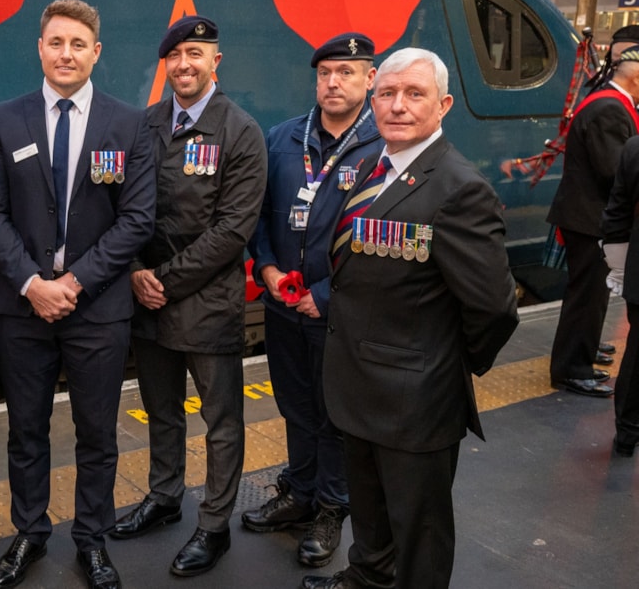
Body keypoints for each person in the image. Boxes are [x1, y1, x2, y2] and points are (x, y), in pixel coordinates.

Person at [302, 48, 519, 589]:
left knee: (418, 534)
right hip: (357, 389)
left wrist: (441, 365)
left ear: (443, 105)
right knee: (371, 519)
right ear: (373, 99)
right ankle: (366, 579)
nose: (398, 106)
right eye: (388, 94)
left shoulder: (459, 187)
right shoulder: (374, 168)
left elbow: (493, 308)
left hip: (416, 404)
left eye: (414, 94)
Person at [0, 0, 156, 589]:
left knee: (97, 431)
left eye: (78, 44)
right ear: (40, 48)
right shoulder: (7, 118)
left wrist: (73, 283)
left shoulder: (129, 124)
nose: (66, 54)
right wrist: (32, 283)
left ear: (95, 52)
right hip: (24, 309)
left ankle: (92, 540)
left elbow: (136, 220)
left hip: (97, 308)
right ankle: (29, 534)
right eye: (56, 42)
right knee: (26, 429)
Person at [109, 15, 266, 577]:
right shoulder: (144, 125)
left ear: (215, 61)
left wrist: (160, 280)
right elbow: (119, 209)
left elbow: (233, 230)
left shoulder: (240, 131)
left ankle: (215, 525)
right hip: (146, 294)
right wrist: (131, 271)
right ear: (165, 64)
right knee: (161, 410)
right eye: (175, 56)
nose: (184, 65)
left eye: (196, 54)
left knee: (221, 422)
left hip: (205, 303)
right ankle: (165, 495)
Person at [243, 33, 382, 569]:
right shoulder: (283, 139)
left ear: (370, 78)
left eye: (347, 72)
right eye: (325, 72)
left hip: (339, 314)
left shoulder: (381, 148)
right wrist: (269, 269)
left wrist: (323, 295)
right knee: (294, 404)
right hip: (282, 306)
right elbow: (257, 217)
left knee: (335, 415)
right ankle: (299, 493)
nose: (333, 82)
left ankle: (331, 506)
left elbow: (380, 237)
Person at [548, 45, 639, 397]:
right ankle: (571, 369)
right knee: (585, 298)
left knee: (591, 297)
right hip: (589, 219)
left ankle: (582, 352)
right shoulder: (609, 110)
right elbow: (615, 171)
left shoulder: (607, 103)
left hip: (587, 216)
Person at [601, 133, 639, 456]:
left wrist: (618, 268)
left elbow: (617, 214)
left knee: (637, 354)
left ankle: (627, 434)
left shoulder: (635, 147)